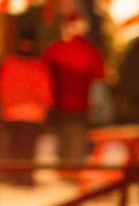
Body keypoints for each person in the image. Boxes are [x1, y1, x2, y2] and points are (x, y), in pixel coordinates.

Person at [43, 15, 105, 164]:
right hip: (82, 104)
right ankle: (74, 169)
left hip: (60, 103)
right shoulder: (91, 52)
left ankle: (64, 168)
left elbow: (44, 73)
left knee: (63, 136)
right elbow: (99, 77)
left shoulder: (55, 50)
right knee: (78, 138)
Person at [0, 35, 54, 186]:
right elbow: (44, 90)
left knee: (15, 145)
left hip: (13, 112)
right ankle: (25, 176)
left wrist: (5, 104)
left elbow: (3, 87)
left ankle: (15, 175)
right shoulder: (39, 66)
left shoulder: (10, 64)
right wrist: (46, 105)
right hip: (33, 113)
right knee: (28, 147)